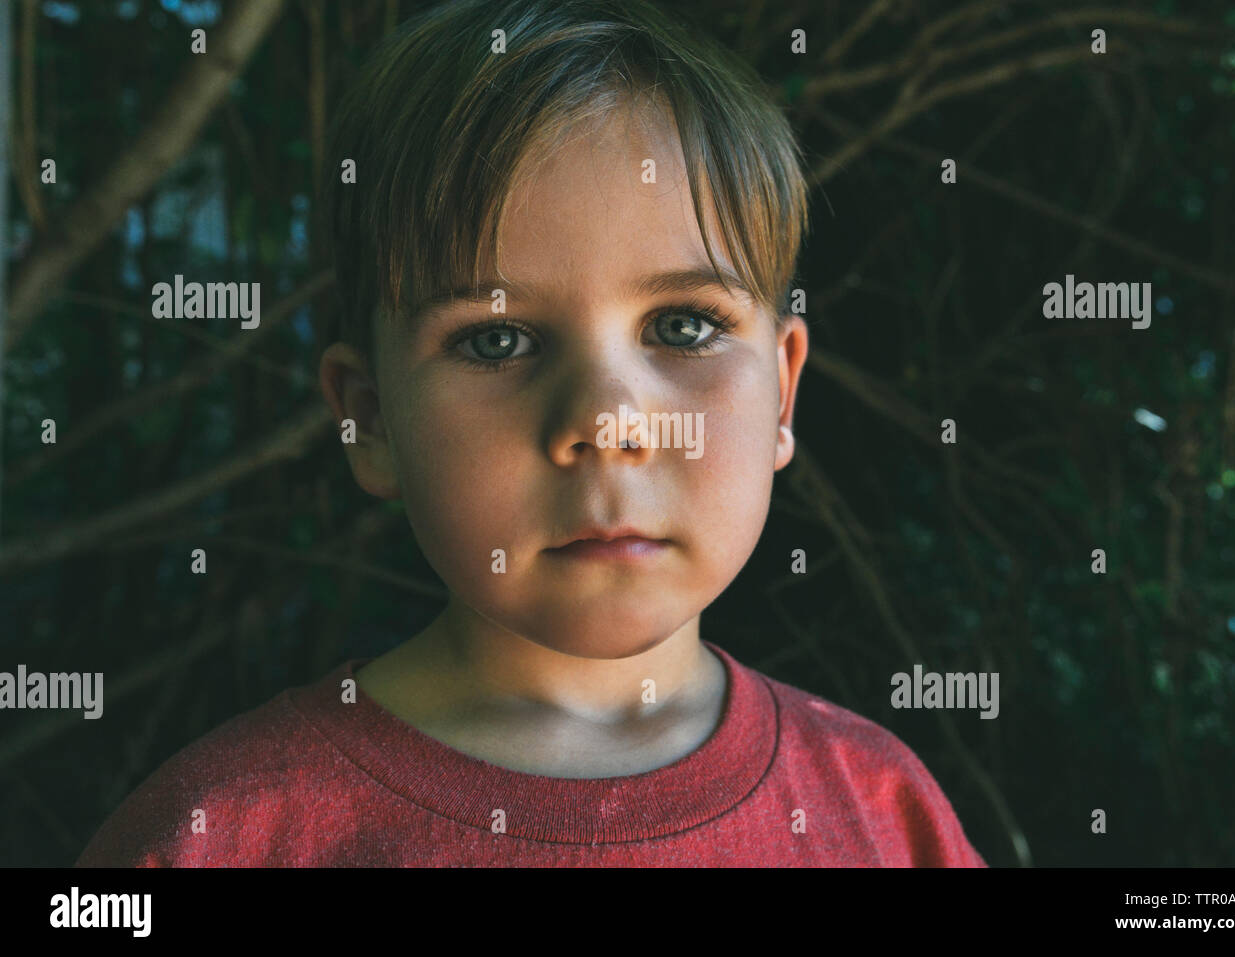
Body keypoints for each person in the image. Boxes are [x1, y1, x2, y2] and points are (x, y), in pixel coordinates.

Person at [76, 0, 986, 867]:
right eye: (498, 339)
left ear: (781, 393)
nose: (606, 421)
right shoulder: (216, 836)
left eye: (681, 326)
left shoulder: (884, 812)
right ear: (371, 417)